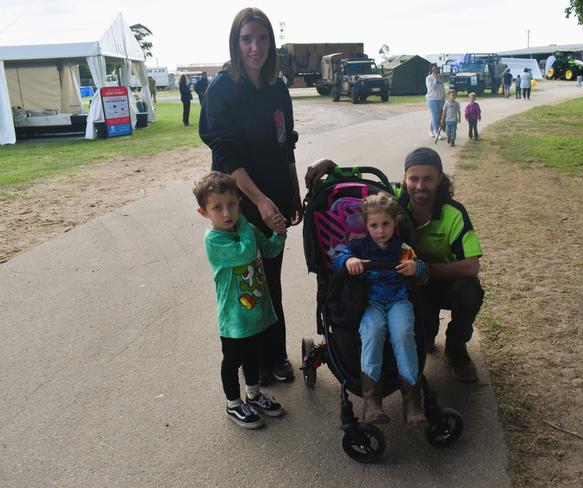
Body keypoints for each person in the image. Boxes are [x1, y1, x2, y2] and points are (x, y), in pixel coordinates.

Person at [305, 147, 484, 383]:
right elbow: (357, 185)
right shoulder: (392, 197)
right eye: (414, 178)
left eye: (428, 179)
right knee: (423, 336)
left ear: (440, 179)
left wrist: (420, 266)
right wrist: (327, 163)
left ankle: (456, 347)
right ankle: (425, 335)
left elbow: (471, 267)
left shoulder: (454, 213)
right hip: (407, 283)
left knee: (471, 291)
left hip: (440, 282)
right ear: (405, 178)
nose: (420, 186)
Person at [199, 7, 302, 385]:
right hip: (239, 201)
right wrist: (258, 200)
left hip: (274, 193)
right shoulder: (222, 89)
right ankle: (252, 363)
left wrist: (294, 192)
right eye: (247, 39)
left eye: (262, 38)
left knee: (270, 277)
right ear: (236, 43)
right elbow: (227, 155)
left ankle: (276, 355)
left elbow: (285, 142)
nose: (255, 47)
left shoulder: (277, 86)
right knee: (247, 281)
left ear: (271, 43)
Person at [193, 171, 286, 429]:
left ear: (238, 203)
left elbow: (269, 249)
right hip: (234, 320)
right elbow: (245, 253)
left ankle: (253, 395)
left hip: (256, 313)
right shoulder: (215, 239)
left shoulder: (246, 230)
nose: (227, 214)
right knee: (233, 361)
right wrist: (246, 224)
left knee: (252, 357)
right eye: (217, 208)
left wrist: (279, 233)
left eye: (232, 205)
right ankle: (233, 404)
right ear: (204, 213)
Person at [333, 193, 428, 426]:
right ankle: (372, 402)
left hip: (398, 300)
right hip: (370, 301)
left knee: (404, 333)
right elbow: (336, 253)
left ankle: (413, 402)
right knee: (373, 331)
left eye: (385, 224)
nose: (380, 230)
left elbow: (423, 271)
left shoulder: (402, 249)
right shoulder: (358, 246)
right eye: (374, 225)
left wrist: (415, 268)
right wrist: (348, 261)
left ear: (395, 223)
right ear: (366, 226)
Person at [425, 65, 446, 138]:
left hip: (440, 99)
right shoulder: (429, 78)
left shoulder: (440, 77)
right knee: (435, 116)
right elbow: (432, 89)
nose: (436, 70)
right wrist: (435, 79)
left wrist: (444, 99)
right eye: (434, 69)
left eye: (436, 68)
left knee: (436, 116)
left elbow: (442, 89)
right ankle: (437, 133)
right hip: (432, 99)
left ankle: (430, 130)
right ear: (431, 70)